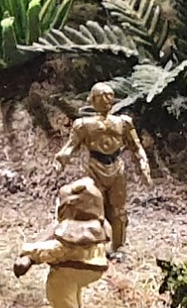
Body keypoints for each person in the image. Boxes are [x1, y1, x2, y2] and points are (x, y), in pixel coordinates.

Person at [55, 84, 151, 256]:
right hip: (94, 167)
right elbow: (71, 146)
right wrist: (62, 158)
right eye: (101, 96)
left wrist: (143, 163)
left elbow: (136, 146)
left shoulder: (123, 122)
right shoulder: (83, 125)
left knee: (118, 210)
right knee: (94, 207)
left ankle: (118, 245)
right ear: (92, 100)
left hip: (116, 166)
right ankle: (99, 244)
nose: (106, 100)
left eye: (109, 96)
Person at [13, 178, 111, 308]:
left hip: (78, 266)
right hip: (93, 266)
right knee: (72, 285)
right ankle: (76, 307)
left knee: (59, 284)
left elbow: (56, 249)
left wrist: (29, 251)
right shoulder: (95, 228)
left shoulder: (73, 233)